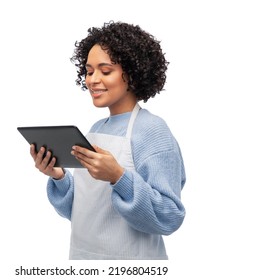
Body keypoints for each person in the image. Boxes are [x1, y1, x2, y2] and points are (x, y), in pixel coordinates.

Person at [30, 21, 186, 260]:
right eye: (89, 71)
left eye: (105, 71)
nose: (92, 80)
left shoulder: (153, 131)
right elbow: (84, 211)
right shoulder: (96, 129)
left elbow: (169, 217)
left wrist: (118, 177)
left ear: (132, 73)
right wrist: (58, 176)